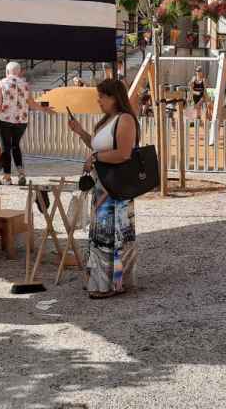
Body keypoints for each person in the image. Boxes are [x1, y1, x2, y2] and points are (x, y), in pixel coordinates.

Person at [67, 79, 140, 299]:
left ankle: (110, 283)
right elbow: (99, 147)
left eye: (102, 96)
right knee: (101, 235)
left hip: (115, 190)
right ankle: (102, 280)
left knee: (112, 236)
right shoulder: (108, 120)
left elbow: (124, 153)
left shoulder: (125, 119)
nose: (98, 101)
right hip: (103, 187)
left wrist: (95, 157)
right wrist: (81, 132)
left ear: (113, 97)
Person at [0, 61, 53, 186]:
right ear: (19, 72)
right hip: (22, 121)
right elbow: (31, 103)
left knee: (5, 148)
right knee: (16, 145)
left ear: (7, 71)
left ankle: (7, 177)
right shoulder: (25, 84)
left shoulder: (2, 83)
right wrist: (44, 109)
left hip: (5, 120)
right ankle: (21, 173)